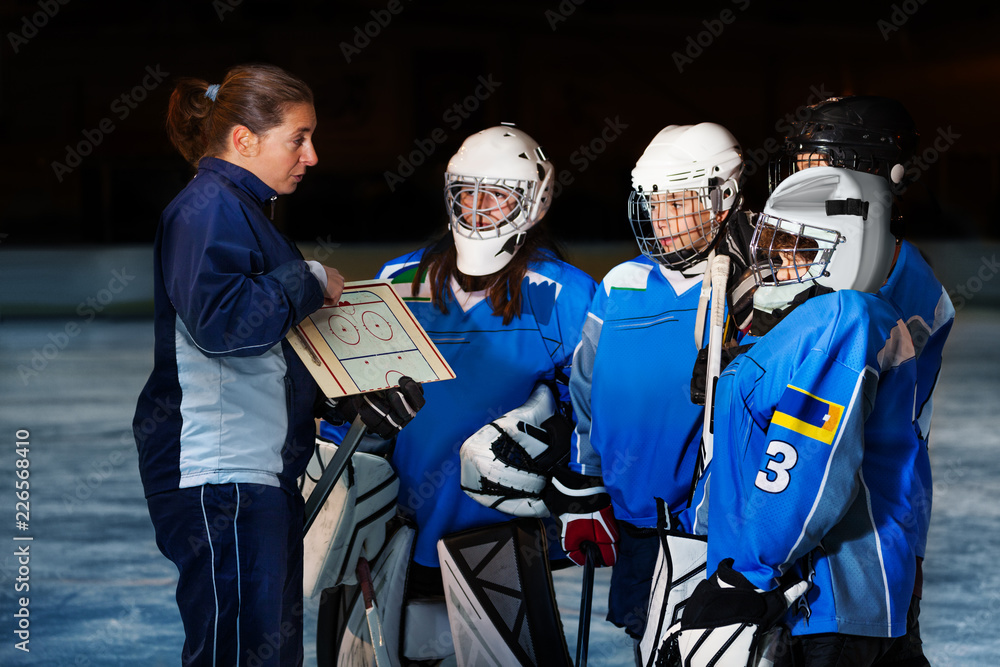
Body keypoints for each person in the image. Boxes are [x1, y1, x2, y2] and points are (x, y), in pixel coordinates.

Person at [134, 64, 414, 667]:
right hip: (221, 470)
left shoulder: (240, 210)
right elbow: (221, 324)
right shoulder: (207, 209)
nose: (312, 155)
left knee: (265, 652)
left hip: (251, 469)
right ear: (243, 139)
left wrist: (342, 396)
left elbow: (268, 348)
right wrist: (305, 278)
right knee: (239, 653)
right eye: (299, 138)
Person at [317, 124, 596, 663]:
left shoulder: (568, 294)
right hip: (390, 530)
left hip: (496, 539)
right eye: (465, 192)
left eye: (495, 195)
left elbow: (587, 411)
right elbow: (350, 412)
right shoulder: (398, 278)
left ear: (533, 203)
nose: (476, 208)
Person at [678, 166, 923, 667]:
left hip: (818, 598)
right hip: (816, 597)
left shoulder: (840, 319)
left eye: (800, 248)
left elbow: (809, 463)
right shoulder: (812, 323)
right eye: (775, 242)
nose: (777, 260)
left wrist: (746, 572)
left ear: (849, 248)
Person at [551, 123, 747, 656]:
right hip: (636, 521)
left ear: (722, 199)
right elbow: (587, 387)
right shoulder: (621, 284)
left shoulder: (747, 291)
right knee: (649, 643)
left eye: (679, 201)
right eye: (653, 201)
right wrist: (587, 479)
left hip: (713, 533)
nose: (662, 218)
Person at [770, 95, 952, 663]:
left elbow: (816, 417)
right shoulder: (860, 265)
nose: (803, 179)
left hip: (849, 545)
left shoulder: (876, 290)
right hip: (865, 534)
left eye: (817, 162)